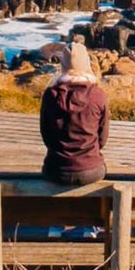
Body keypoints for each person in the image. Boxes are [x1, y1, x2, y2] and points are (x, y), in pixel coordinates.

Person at [40, 42, 110, 186]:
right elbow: (102, 137)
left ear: (63, 65)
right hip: (91, 170)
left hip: (56, 170)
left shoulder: (50, 94)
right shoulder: (97, 95)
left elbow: (46, 135)